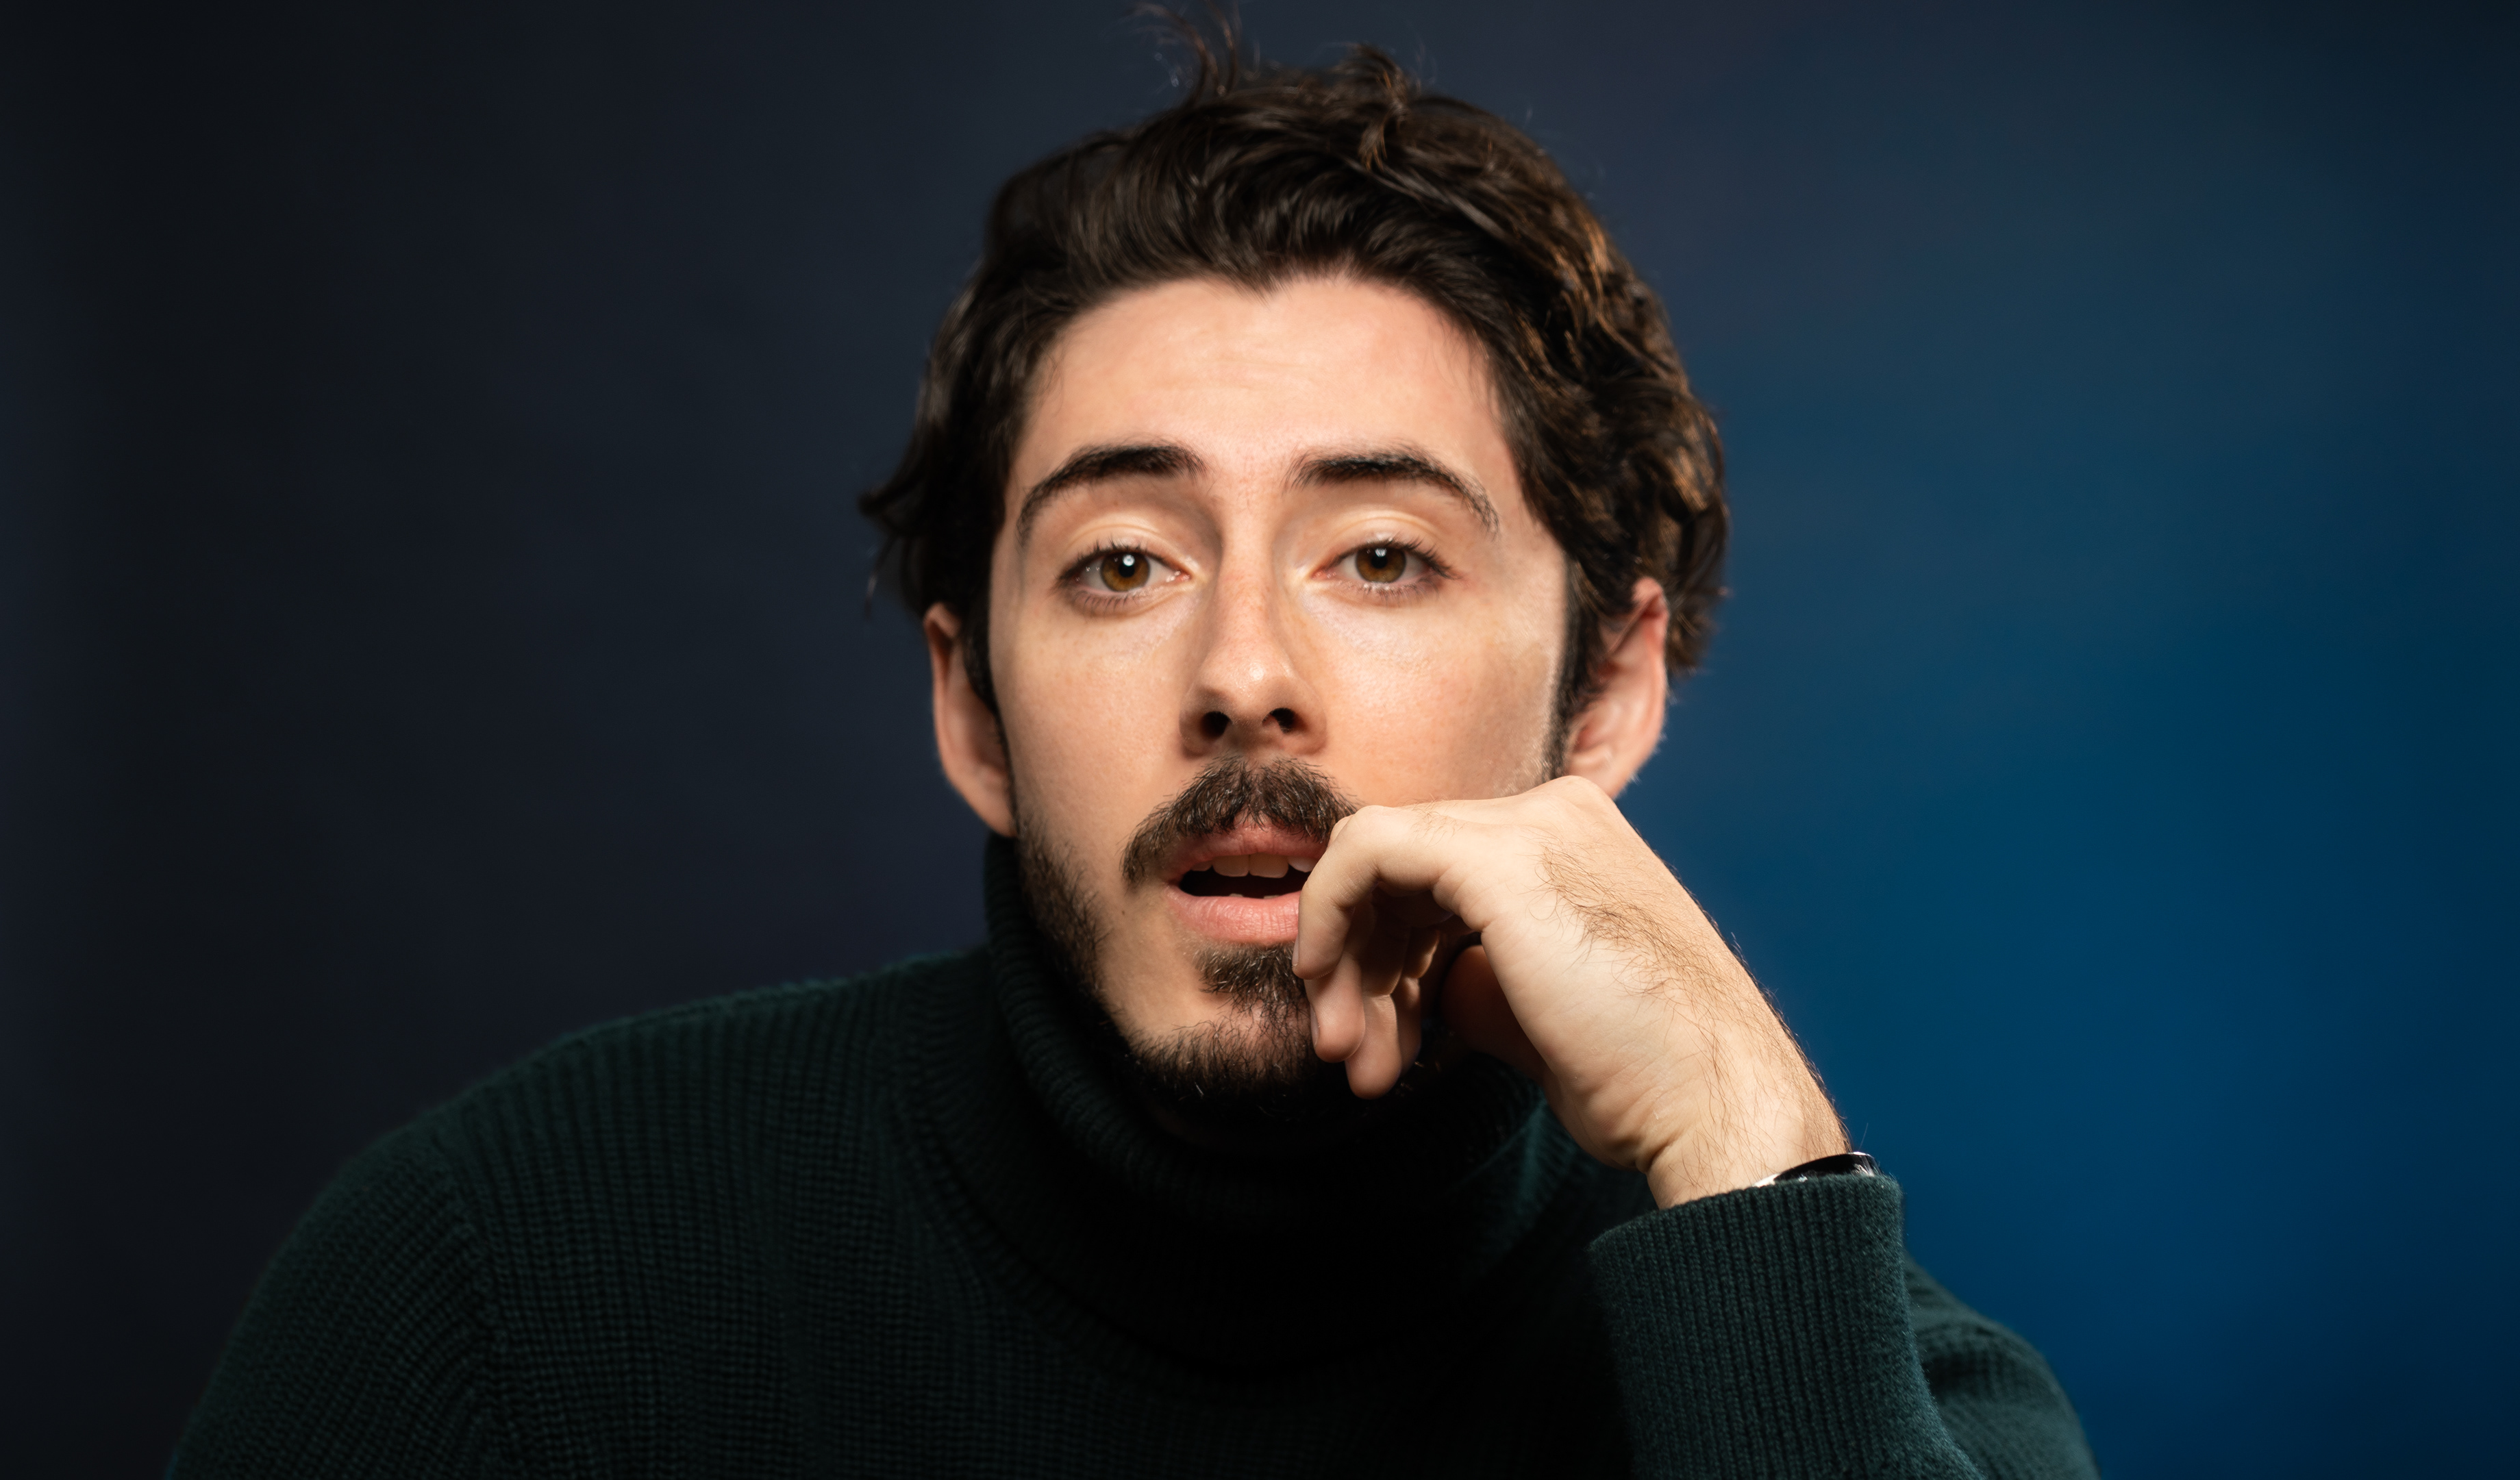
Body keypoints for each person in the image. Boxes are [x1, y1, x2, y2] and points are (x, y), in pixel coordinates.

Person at [175, 35, 2096, 1480]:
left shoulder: (1899, 1408)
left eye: (1379, 556)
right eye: (1122, 563)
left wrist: (1748, 1158)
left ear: (1606, 694)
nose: (1244, 674)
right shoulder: (504, 1289)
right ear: (973, 711)